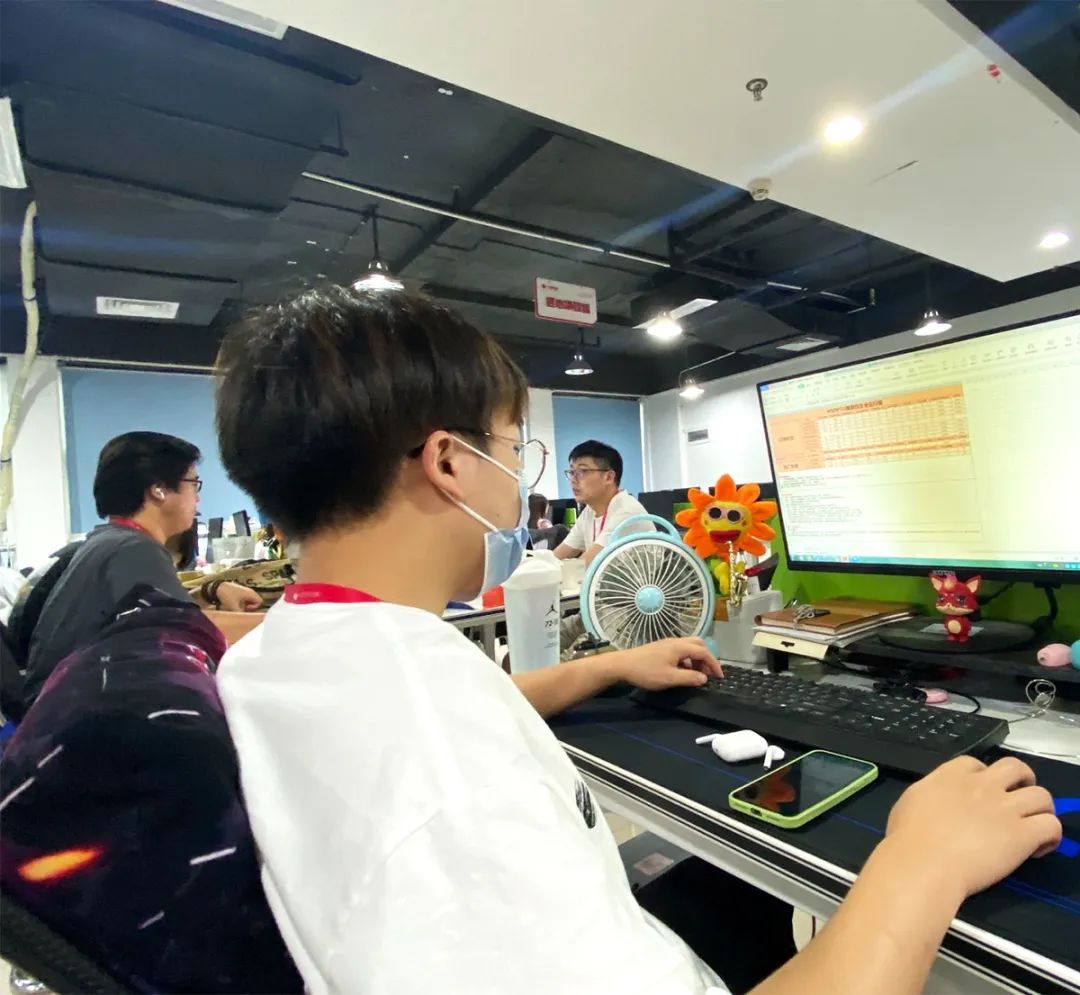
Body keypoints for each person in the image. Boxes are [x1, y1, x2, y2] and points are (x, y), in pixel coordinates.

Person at [214, 288, 1061, 995]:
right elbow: (442, 746)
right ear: (447, 460)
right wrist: (921, 862)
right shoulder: (445, 770)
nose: (526, 478)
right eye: (514, 448)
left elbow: (454, 700)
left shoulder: (280, 655)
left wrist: (611, 664)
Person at [21, 431, 261, 707]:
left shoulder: (110, 541)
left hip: (60, 705)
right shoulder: (134, 548)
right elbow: (194, 632)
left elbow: (153, 611)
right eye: (193, 483)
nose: (198, 498)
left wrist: (210, 591)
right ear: (158, 490)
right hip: (78, 712)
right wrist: (285, 620)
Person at [555, 440, 653, 566]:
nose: (573, 480)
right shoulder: (590, 511)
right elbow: (557, 557)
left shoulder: (626, 511)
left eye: (582, 471)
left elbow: (585, 567)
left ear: (609, 477)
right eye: (572, 472)